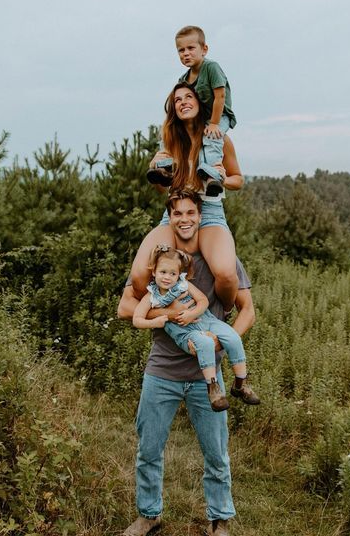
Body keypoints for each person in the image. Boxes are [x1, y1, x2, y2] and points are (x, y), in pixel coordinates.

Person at [119, 190, 256, 536]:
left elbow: (248, 311)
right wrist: (169, 313)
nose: (184, 219)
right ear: (170, 217)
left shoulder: (223, 260)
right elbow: (125, 307)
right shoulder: (161, 261)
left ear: (201, 215)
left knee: (216, 453)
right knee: (148, 448)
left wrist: (218, 341)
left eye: (190, 212)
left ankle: (219, 519)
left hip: (205, 375)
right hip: (161, 371)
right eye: (177, 213)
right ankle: (148, 515)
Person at [131, 83, 241, 313]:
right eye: (178, 99)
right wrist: (157, 176)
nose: (183, 102)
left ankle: (223, 315)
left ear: (200, 103)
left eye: (188, 96)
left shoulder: (219, 139)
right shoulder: (170, 141)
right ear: (174, 109)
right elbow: (163, 192)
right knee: (140, 274)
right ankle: (169, 310)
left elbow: (238, 180)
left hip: (209, 212)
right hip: (175, 213)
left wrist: (222, 178)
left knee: (227, 275)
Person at [133, 243, 260, 412]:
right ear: (154, 271)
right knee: (206, 343)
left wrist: (192, 314)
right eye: (163, 272)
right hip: (185, 331)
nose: (167, 277)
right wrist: (155, 322)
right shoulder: (152, 296)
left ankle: (240, 383)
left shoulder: (184, 284)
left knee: (232, 337)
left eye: (173, 273)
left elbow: (203, 301)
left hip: (206, 319)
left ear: (179, 274)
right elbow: (137, 319)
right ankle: (213, 389)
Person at [147, 25, 236, 197]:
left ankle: (212, 176)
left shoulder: (211, 68)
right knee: (169, 134)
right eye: (181, 50)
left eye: (190, 48)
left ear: (204, 49)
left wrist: (215, 123)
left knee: (212, 139)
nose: (185, 53)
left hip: (220, 115)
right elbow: (185, 100)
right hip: (204, 118)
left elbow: (220, 96)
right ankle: (166, 168)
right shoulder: (184, 79)